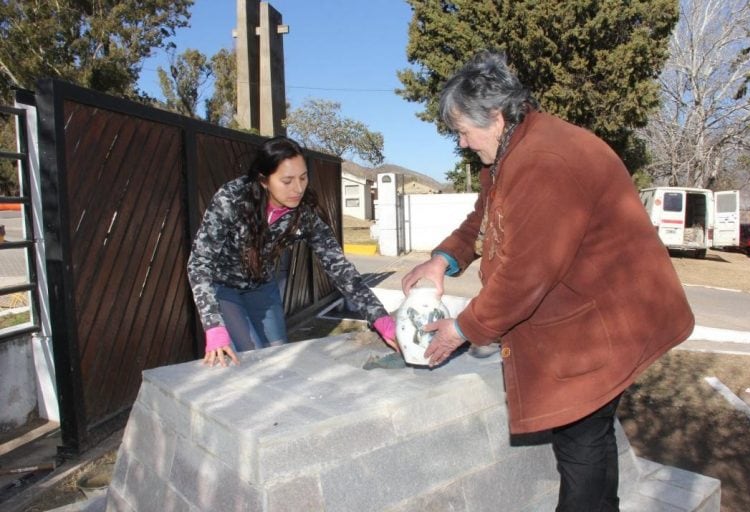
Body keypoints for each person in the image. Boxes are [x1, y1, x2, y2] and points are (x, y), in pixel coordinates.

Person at [402, 50, 694, 511]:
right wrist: (443, 261)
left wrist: (463, 329)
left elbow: (527, 273)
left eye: (462, 131)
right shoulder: (508, 155)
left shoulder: (546, 160)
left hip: (602, 326)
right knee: (590, 439)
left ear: (495, 117)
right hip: (586, 319)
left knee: (581, 445)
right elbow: (482, 220)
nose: (460, 143)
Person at [188, 136, 396, 367]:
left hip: (263, 288)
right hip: (225, 289)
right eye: (287, 181)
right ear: (264, 181)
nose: (298, 188)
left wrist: (380, 317)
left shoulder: (304, 212)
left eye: (303, 177)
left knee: (280, 356)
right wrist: (213, 324)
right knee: (250, 358)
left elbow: (341, 269)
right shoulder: (232, 198)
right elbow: (199, 264)